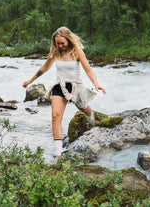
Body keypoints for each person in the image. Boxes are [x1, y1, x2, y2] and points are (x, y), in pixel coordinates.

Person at [22, 26, 106, 158]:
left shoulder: (77, 51)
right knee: (55, 116)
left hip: (75, 85)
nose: (60, 46)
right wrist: (30, 81)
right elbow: (45, 67)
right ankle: (58, 152)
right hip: (60, 85)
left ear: (69, 40)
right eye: (58, 43)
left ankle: (91, 116)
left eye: (62, 43)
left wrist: (96, 84)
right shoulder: (55, 51)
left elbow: (88, 70)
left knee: (83, 107)